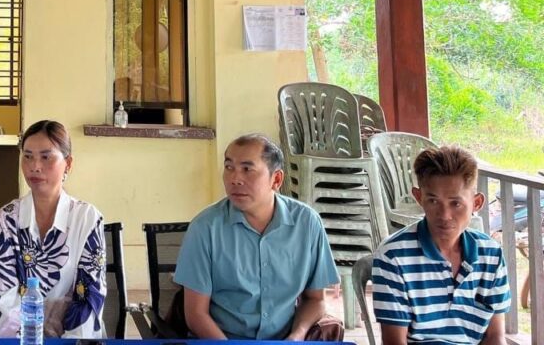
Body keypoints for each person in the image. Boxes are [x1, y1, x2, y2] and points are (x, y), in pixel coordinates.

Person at [174, 133, 342, 341]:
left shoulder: (307, 223)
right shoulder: (205, 228)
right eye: (229, 167)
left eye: (247, 169)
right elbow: (196, 315)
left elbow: (315, 299)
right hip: (222, 340)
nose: (234, 179)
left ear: (276, 179)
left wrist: (296, 336)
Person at [372, 145, 510, 345]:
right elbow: (394, 342)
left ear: (477, 203)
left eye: (456, 203)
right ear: (419, 198)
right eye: (433, 201)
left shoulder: (491, 255)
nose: (444, 215)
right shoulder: (393, 257)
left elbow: (495, 337)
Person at [0, 119, 106, 338]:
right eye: (27, 156)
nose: (35, 166)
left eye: (46, 157)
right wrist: (30, 338)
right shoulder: (6, 220)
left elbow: (89, 299)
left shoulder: (87, 218)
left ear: (68, 164)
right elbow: (4, 298)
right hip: (20, 339)